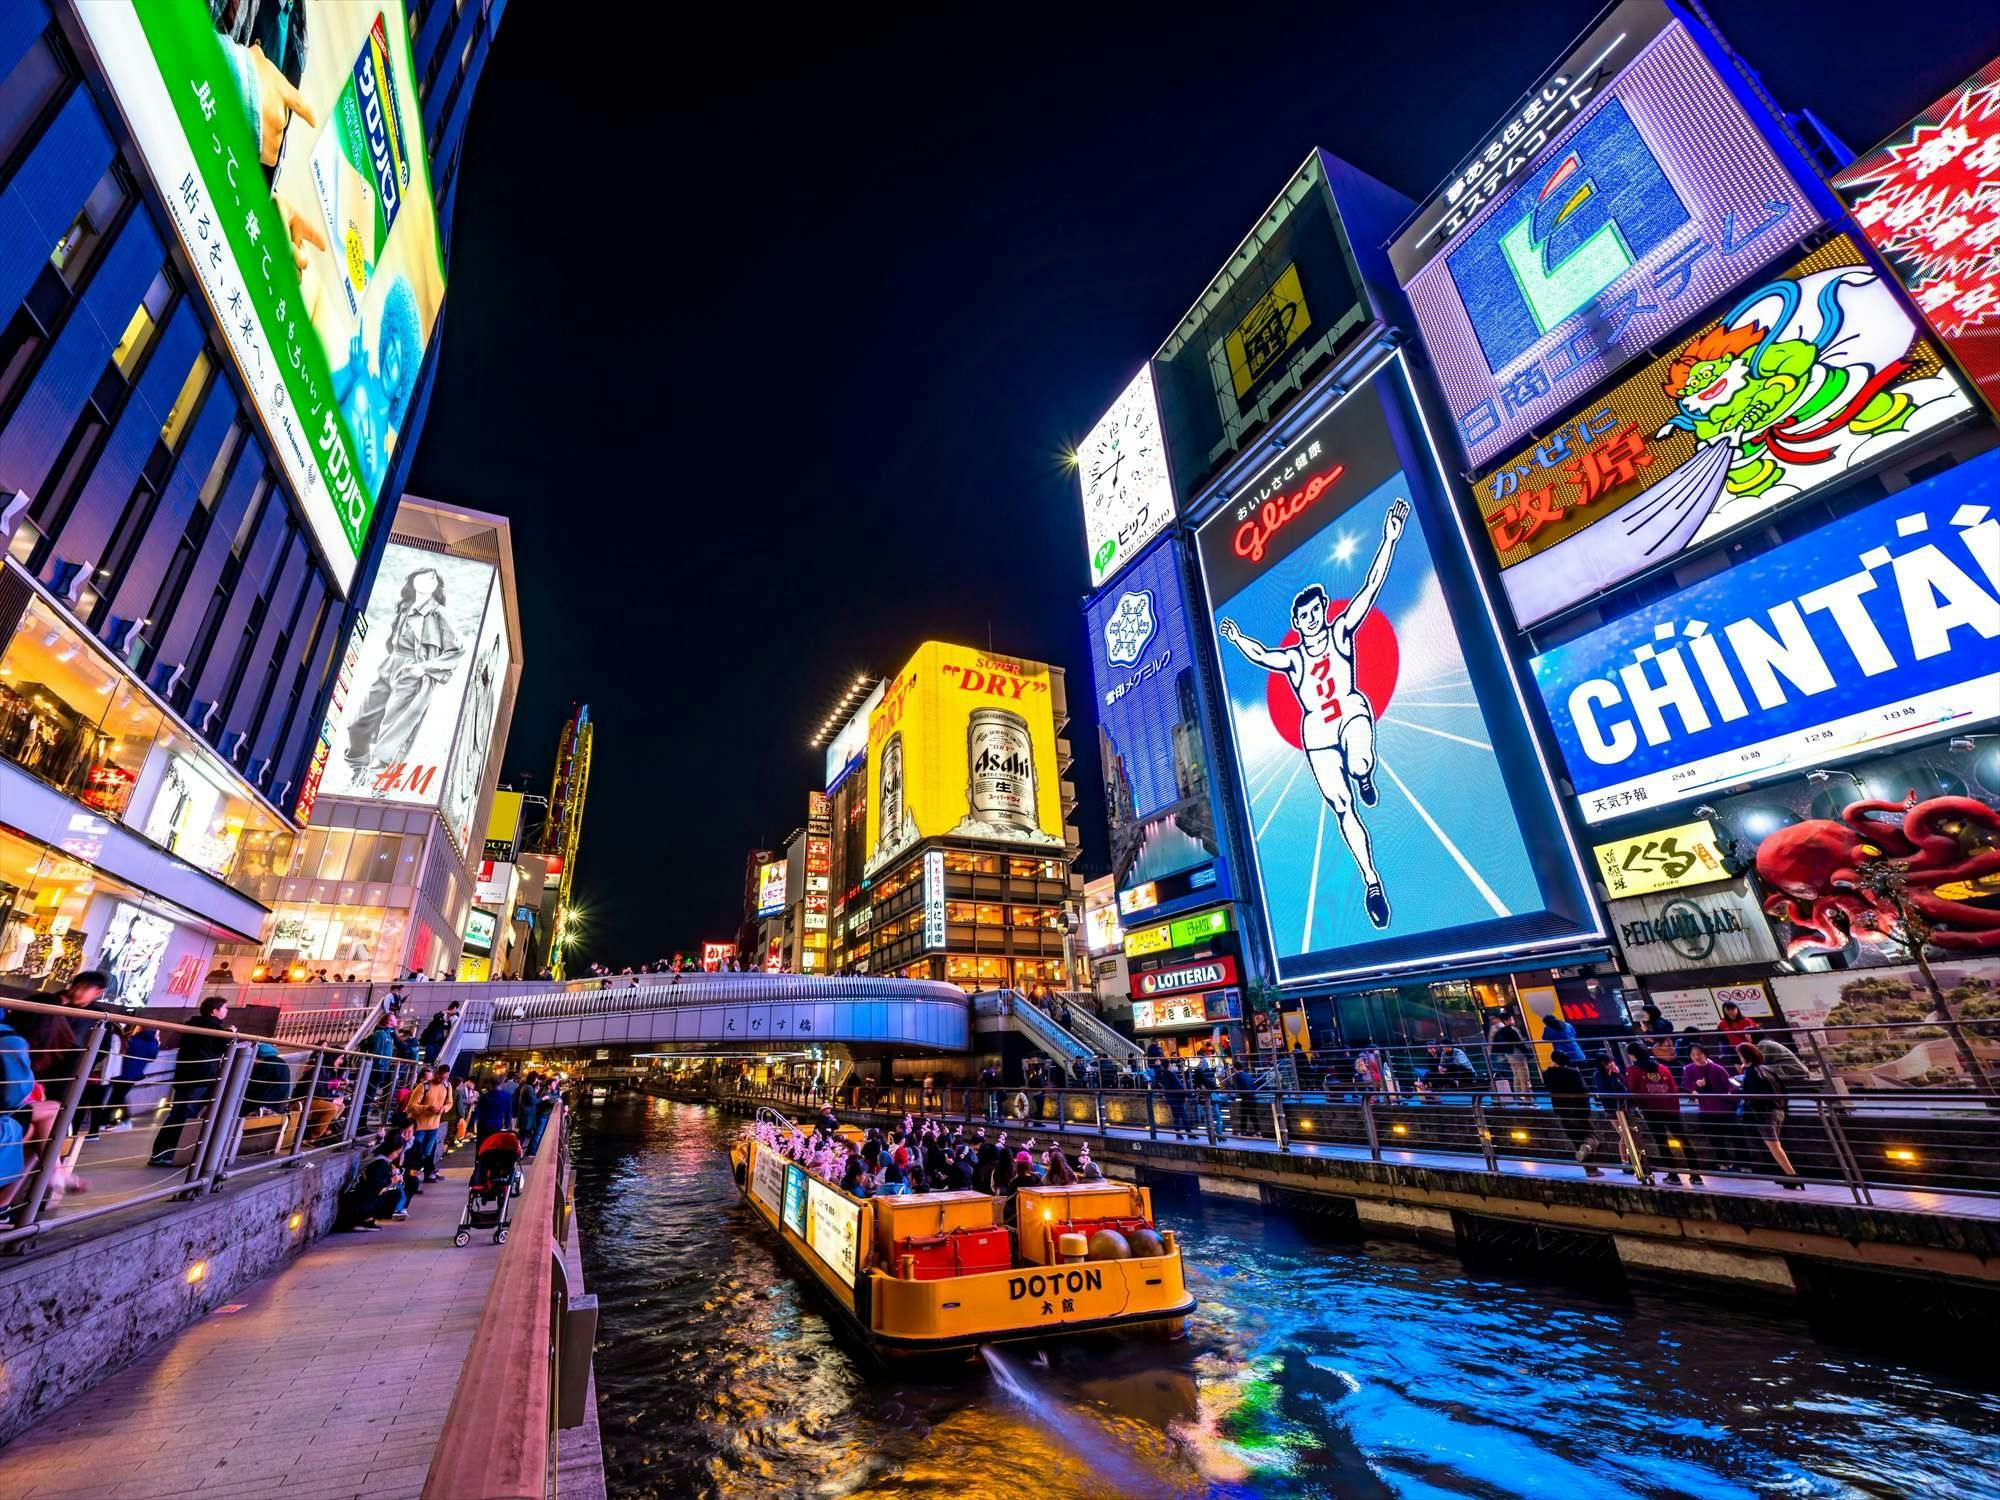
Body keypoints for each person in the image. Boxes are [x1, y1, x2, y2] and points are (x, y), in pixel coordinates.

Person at [1216, 498, 1410, 930]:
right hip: (1317, 729)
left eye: (1313, 612)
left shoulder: (1341, 631)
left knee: (1360, 758)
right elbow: (1263, 655)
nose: (1309, 620)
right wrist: (1235, 639)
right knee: (1342, 807)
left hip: (1349, 710)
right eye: (1301, 617)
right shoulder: (1295, 658)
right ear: (1298, 621)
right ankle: (1372, 880)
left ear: (1322, 611)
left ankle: (1364, 774)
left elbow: (1371, 588)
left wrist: (1389, 539)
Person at [149, 996, 235, 1168]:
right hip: (201, 1076)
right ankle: (173, 1153)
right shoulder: (214, 1028)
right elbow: (221, 1048)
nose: (227, 1011)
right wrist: (231, 1034)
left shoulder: (191, 1024)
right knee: (187, 1115)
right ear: (214, 1011)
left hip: (184, 1074)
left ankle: (160, 1152)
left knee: (176, 1113)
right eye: (224, 1008)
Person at [1736, 1042, 1804, 1188]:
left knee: (1774, 1147)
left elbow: (1752, 1094)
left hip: (1764, 1113)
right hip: (1778, 1109)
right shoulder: (1766, 1069)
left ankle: (1792, 1177)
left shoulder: (1752, 1072)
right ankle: (1787, 1175)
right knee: (1775, 1145)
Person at [1624, 1046, 1690, 1186]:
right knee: (1683, 1139)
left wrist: (1638, 1107)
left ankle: (1673, 1175)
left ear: (1632, 1056)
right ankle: (1696, 1175)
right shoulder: (1662, 1068)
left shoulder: (1633, 1071)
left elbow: (1633, 1091)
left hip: (1651, 1110)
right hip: (1671, 1108)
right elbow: (1673, 1088)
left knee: (1662, 1141)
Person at [1681, 1043, 1739, 1175]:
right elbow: (1685, 1084)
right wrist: (1695, 1084)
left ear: (1705, 1054)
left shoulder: (1717, 1068)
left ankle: (1743, 1164)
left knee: (1736, 1137)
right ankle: (1723, 1163)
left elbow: (1730, 1085)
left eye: (1699, 1054)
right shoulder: (1689, 1069)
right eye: (1693, 1055)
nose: (1696, 1057)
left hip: (1724, 1109)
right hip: (1706, 1109)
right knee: (1715, 1139)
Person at [336, 1134, 409, 1232]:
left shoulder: (376, 1155)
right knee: (395, 1194)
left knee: (394, 1192)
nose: (396, 1156)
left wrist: (391, 1174)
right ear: (391, 1149)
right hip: (355, 1207)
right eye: (396, 1153)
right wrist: (392, 1180)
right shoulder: (380, 1163)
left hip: (353, 1203)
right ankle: (362, 1220)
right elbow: (375, 1186)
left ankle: (364, 1219)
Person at [1543, 1055, 1601, 1176]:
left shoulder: (1548, 1074)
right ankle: (1588, 1147)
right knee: (1593, 1137)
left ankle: (1590, 1170)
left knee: (1576, 1140)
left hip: (1562, 1111)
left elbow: (1548, 1087)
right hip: (1578, 1110)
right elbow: (1583, 1090)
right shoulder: (1573, 1073)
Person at [406, 1067, 452, 1183]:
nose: (442, 1080)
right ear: (436, 1074)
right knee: (415, 1153)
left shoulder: (447, 1086)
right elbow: (411, 1106)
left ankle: (424, 1175)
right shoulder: (423, 1086)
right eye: (440, 1077)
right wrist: (428, 1108)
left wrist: (444, 1109)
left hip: (434, 1125)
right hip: (419, 1126)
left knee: (428, 1152)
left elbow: (449, 1102)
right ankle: (410, 1179)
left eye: (445, 1078)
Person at [1489, 1012, 1532, 1098]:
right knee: (1524, 1077)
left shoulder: (1500, 1031)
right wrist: (1528, 1054)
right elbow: (1519, 1044)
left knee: (1516, 1075)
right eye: (1511, 1019)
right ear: (1505, 1021)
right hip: (1518, 1055)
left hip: (1509, 1055)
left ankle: (1518, 1096)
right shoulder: (1512, 1030)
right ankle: (1527, 1098)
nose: (1513, 1021)